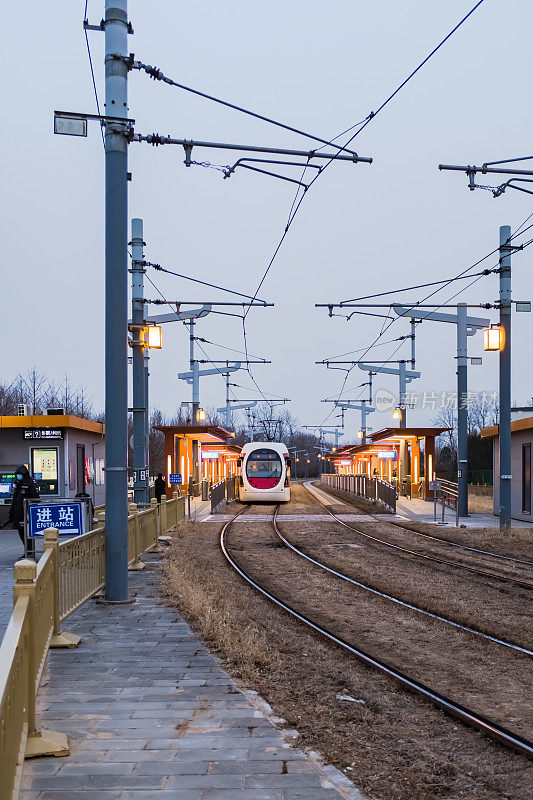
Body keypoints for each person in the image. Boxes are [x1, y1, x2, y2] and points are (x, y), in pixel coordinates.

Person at [9, 465, 39, 560]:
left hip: (27, 513)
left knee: (28, 534)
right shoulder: (18, 484)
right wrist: (11, 513)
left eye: (20, 474)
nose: (18, 476)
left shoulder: (30, 483)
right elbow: (15, 500)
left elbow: (35, 498)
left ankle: (30, 552)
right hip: (18, 513)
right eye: (17, 474)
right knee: (21, 533)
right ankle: (27, 551)